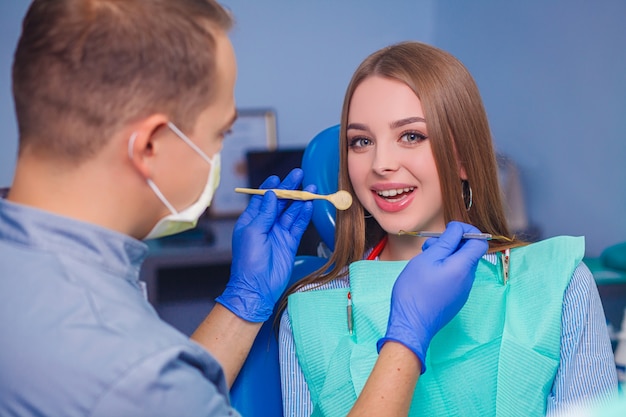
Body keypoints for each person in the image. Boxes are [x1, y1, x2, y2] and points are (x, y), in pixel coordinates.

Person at [0, 2, 488, 416]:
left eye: (411, 136)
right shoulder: (136, 372)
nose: (383, 163)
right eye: (221, 134)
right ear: (150, 145)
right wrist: (406, 339)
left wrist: (244, 301)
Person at [278, 41, 619, 416]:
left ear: (464, 160)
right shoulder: (309, 311)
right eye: (361, 141)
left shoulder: (558, 283)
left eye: (411, 136)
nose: (381, 163)